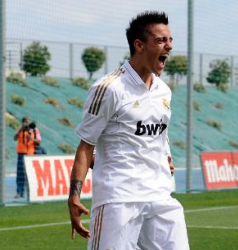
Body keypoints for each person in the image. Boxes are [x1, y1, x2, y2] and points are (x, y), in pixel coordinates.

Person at [68, 11, 190, 250]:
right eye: (161, 40)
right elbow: (86, 145)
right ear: (139, 45)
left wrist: (167, 158)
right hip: (119, 199)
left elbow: (159, 136)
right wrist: (74, 196)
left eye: (170, 40)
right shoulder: (109, 88)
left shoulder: (163, 91)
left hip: (159, 195)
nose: (169, 46)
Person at [13, 117, 41, 198]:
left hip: (30, 155)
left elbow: (38, 141)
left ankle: (33, 193)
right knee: (20, 174)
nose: (26, 124)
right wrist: (20, 129)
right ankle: (19, 192)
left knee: (31, 175)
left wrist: (31, 139)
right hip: (21, 154)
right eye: (25, 122)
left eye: (27, 122)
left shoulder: (35, 130)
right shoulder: (20, 130)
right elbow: (14, 138)